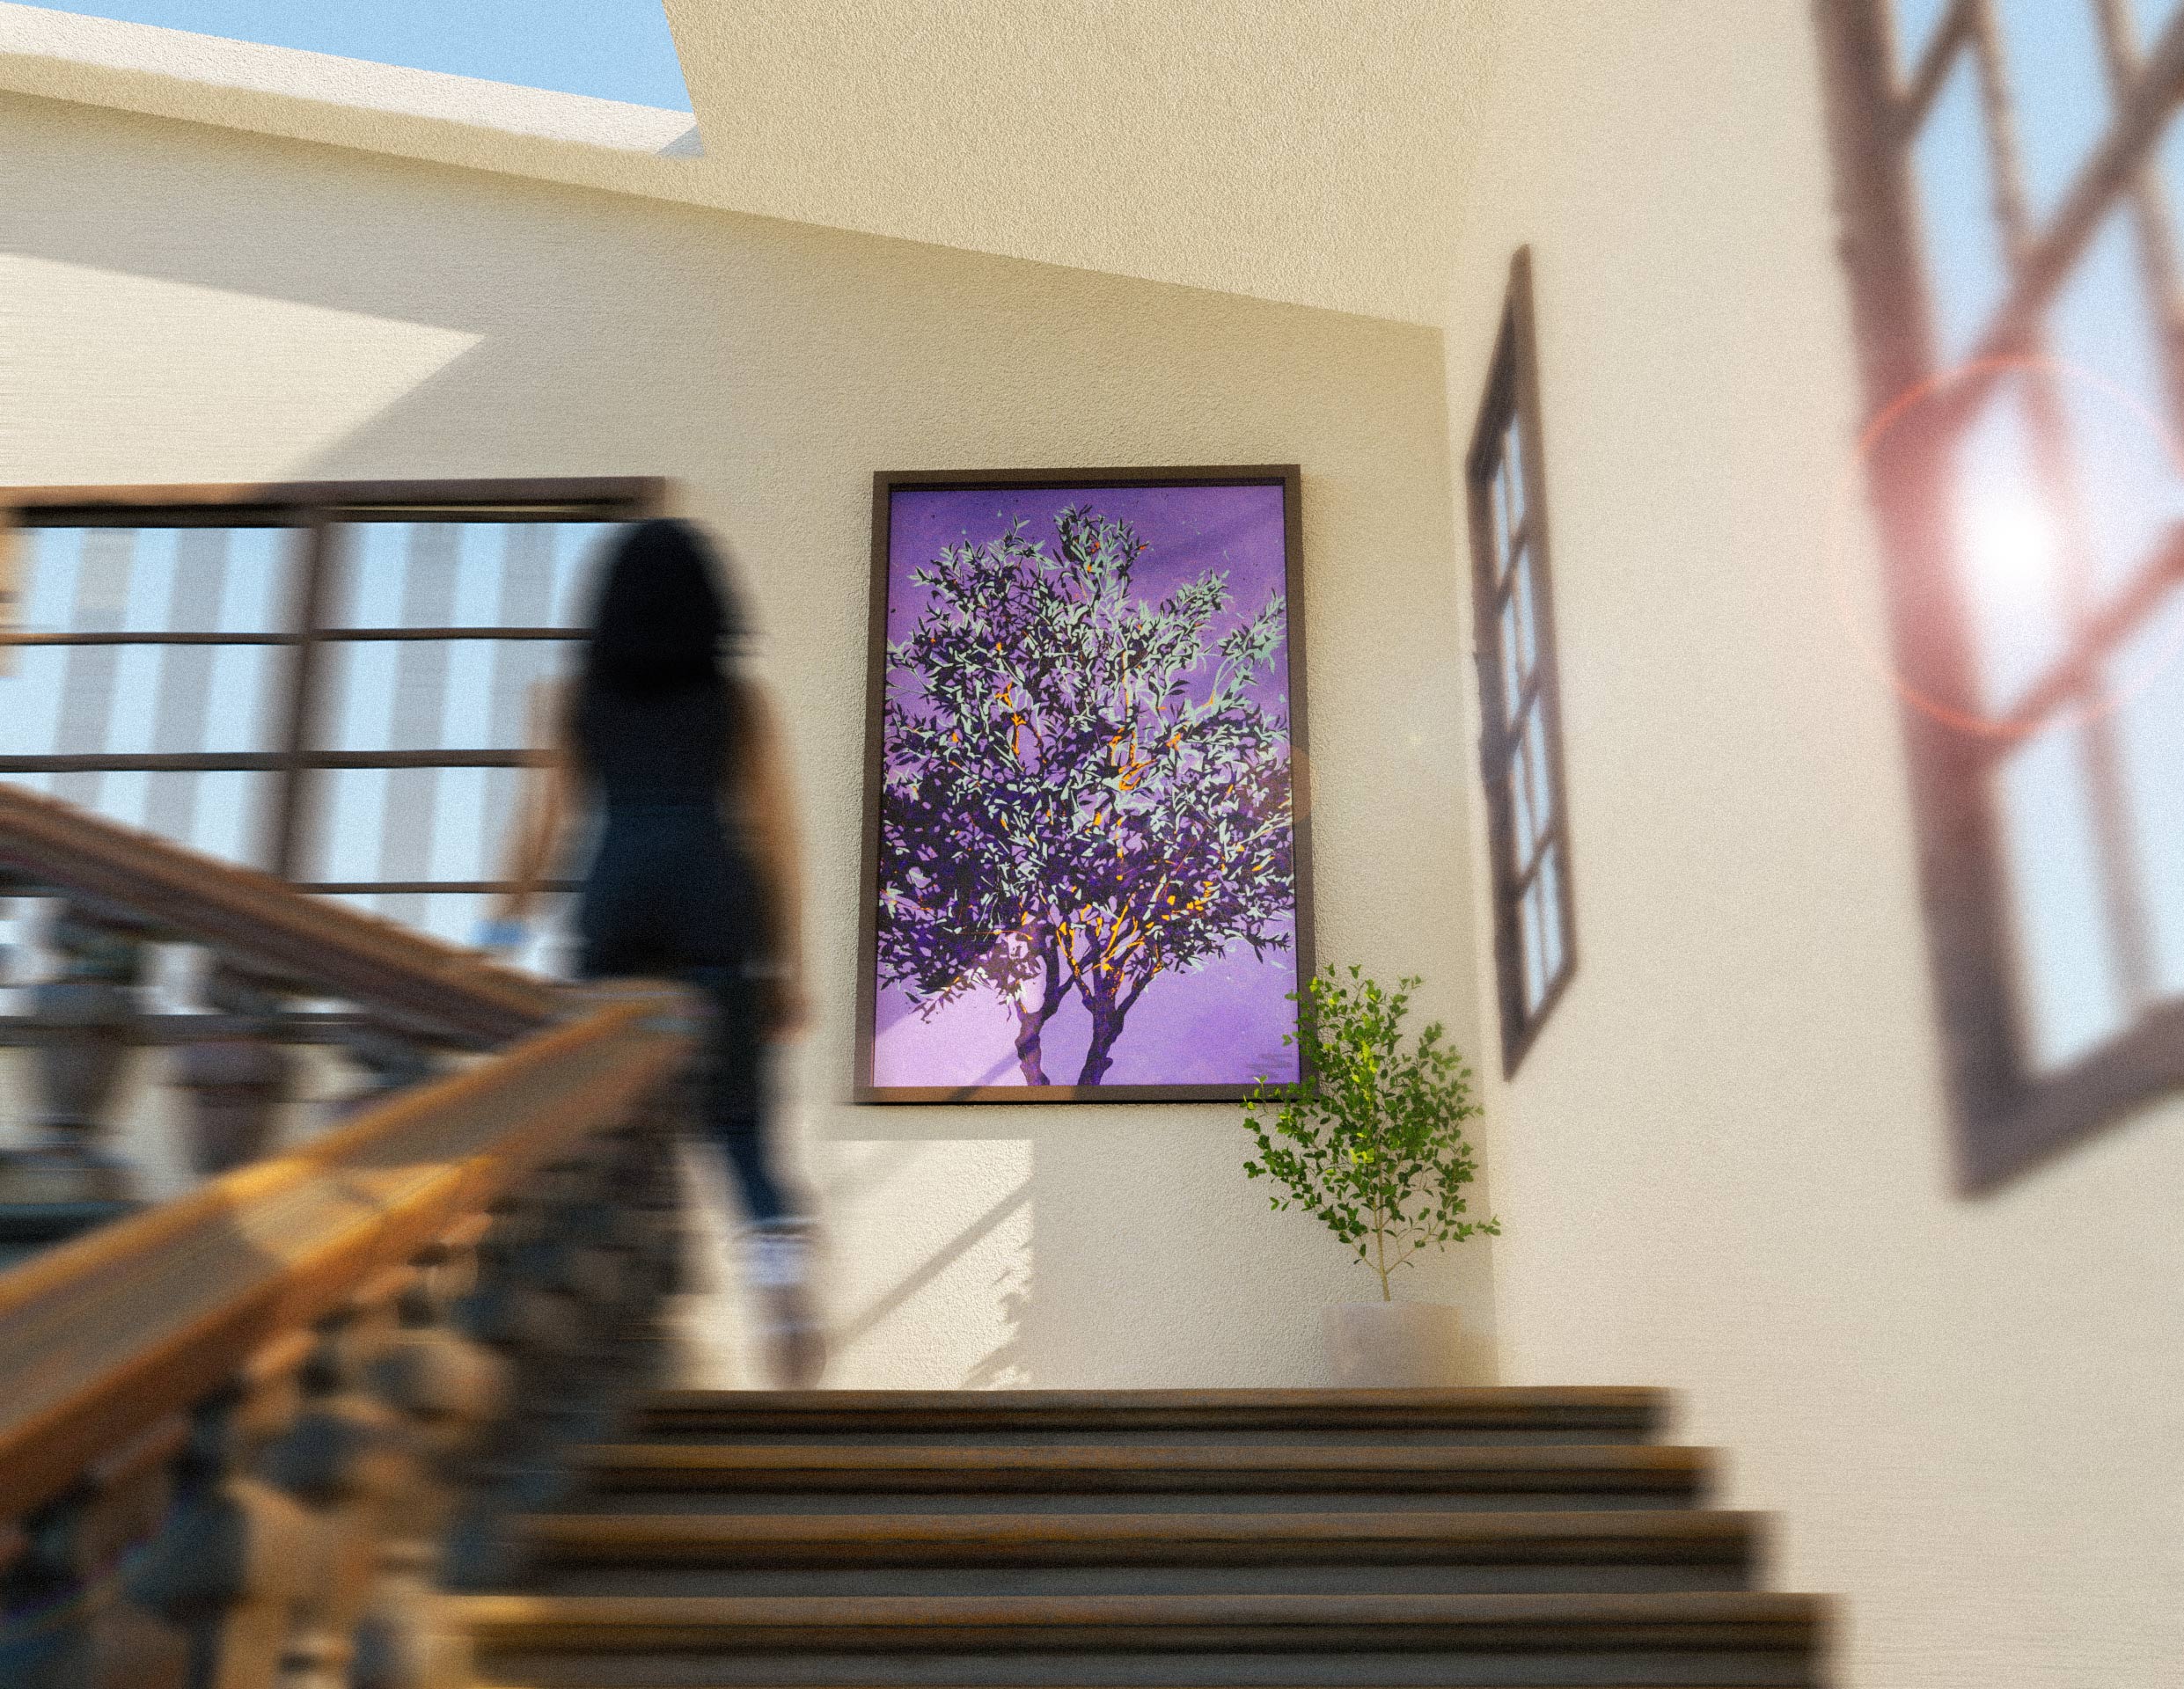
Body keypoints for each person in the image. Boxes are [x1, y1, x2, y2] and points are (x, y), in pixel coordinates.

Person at [487, 517, 821, 1386]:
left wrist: (497, 939)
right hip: (718, 896)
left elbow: (542, 824)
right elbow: (779, 837)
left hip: (620, 894)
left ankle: (621, 1317)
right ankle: (781, 1285)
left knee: (612, 1123)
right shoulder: (739, 701)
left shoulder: (570, 695)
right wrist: (787, 969)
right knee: (743, 1133)